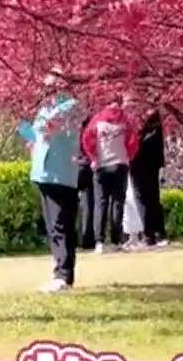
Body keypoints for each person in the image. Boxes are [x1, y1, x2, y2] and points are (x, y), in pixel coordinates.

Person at [20, 70, 85, 294]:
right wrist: (20, 122)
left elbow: (49, 128)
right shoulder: (45, 108)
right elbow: (35, 136)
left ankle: (64, 274)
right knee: (52, 226)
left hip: (61, 173)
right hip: (43, 172)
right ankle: (58, 271)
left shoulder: (70, 105)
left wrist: (35, 126)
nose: (47, 88)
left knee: (62, 224)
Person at [81, 96, 139, 251]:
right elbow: (133, 141)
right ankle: (116, 241)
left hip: (101, 166)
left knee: (101, 203)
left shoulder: (97, 119)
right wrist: (128, 156)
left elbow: (86, 138)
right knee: (118, 202)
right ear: (119, 103)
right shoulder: (126, 120)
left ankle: (99, 241)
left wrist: (93, 157)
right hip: (120, 164)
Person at [130, 106, 169, 248]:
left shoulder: (142, 128)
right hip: (152, 166)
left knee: (143, 200)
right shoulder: (155, 126)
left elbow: (136, 144)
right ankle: (159, 233)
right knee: (153, 199)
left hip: (139, 165)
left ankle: (149, 235)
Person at [77, 147, 96, 252]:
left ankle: (69, 240)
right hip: (86, 164)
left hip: (73, 165)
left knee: (67, 206)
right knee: (88, 204)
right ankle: (87, 240)